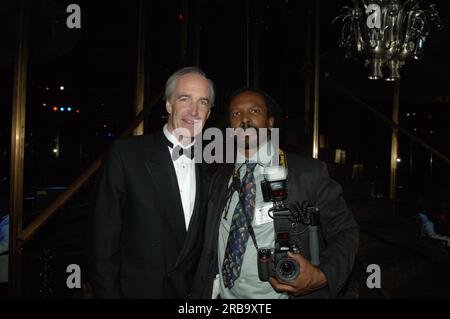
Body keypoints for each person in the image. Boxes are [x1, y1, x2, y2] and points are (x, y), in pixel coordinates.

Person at [192, 88, 359, 299]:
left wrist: (322, 275)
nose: (244, 119)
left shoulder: (307, 173)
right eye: (236, 114)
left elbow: (345, 230)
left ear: (270, 123)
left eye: (254, 111)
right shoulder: (218, 177)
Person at [88, 67, 215, 298]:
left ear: (208, 113)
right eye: (184, 99)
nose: (194, 111)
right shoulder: (126, 155)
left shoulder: (212, 167)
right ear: (168, 104)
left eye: (203, 102)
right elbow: (102, 246)